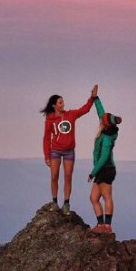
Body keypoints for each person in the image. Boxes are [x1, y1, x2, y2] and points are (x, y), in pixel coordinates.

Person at [41, 86, 97, 215]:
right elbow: (46, 138)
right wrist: (46, 156)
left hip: (69, 151)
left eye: (63, 101)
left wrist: (92, 97)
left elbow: (85, 109)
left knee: (68, 176)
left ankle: (66, 203)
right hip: (55, 150)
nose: (63, 104)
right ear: (54, 105)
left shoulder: (71, 115)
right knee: (54, 176)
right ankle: (54, 202)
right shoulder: (50, 119)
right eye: (60, 102)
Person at [88, 85, 122, 232]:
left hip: (105, 169)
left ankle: (107, 226)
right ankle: (101, 224)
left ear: (105, 125)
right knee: (94, 198)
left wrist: (92, 173)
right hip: (103, 170)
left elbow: (103, 158)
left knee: (107, 196)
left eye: (102, 120)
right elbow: (101, 112)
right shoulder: (107, 127)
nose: (100, 120)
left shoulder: (107, 139)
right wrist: (96, 98)